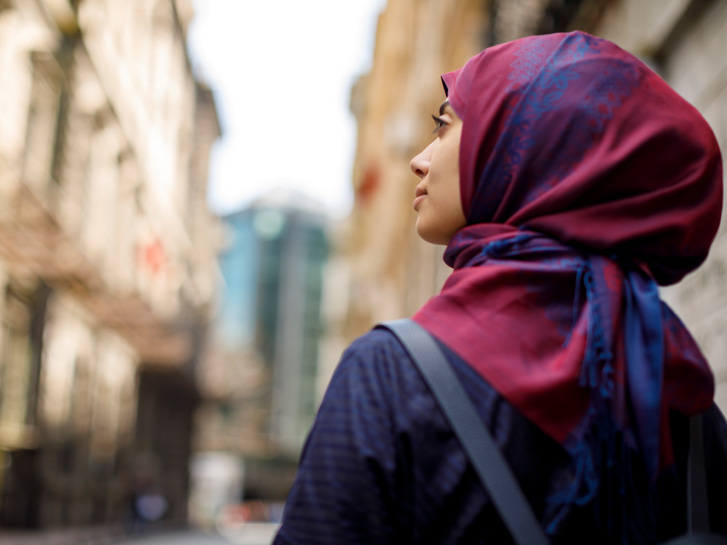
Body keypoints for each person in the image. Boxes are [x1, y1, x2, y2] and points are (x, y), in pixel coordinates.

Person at [272, 31, 727, 544]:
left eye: (443, 126)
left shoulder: (389, 376)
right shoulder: (682, 391)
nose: (419, 159)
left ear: (522, 146)